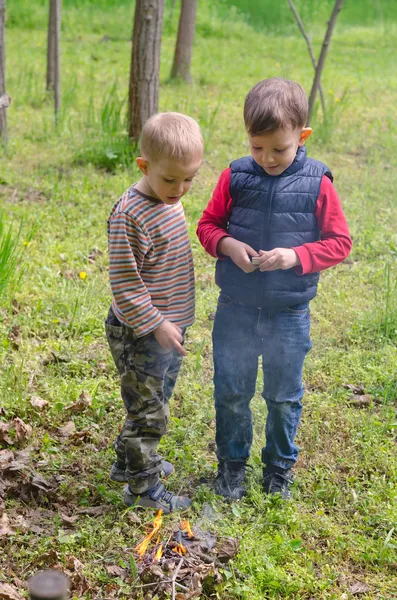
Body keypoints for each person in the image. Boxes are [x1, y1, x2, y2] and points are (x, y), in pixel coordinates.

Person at [197, 78, 352, 500]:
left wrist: (294, 256)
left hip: (288, 313)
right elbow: (207, 226)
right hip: (236, 307)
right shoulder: (234, 176)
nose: (266, 159)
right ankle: (231, 467)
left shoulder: (318, 183)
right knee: (231, 391)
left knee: (283, 396)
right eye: (257, 147)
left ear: (302, 137)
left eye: (278, 149)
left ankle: (278, 469)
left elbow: (340, 243)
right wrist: (227, 245)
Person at [106, 112, 203, 513]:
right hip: (140, 331)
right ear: (144, 166)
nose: (180, 189)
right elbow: (126, 286)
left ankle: (128, 461)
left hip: (168, 329)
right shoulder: (130, 214)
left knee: (156, 398)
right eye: (170, 179)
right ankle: (142, 489)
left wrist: (172, 322)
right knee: (148, 411)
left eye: (189, 179)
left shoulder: (168, 199)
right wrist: (158, 323)